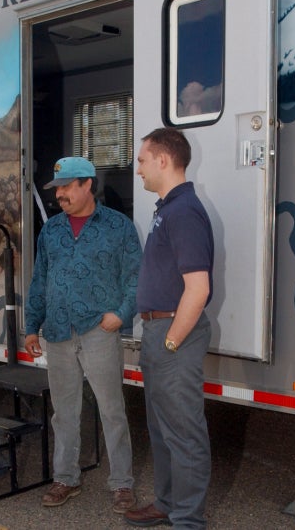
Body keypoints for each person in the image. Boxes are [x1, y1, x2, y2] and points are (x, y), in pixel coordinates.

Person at [24, 156, 141, 515]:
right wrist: (32, 326)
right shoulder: (52, 231)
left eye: (66, 187)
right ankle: (66, 478)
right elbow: (40, 279)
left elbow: (135, 276)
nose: (59, 194)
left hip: (98, 331)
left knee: (112, 410)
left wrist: (120, 315)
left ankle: (122, 484)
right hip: (57, 331)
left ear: (88, 184)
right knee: (64, 411)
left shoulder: (118, 227)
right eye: (57, 188)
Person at [124, 128, 214, 529]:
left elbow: (198, 288)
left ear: (163, 160)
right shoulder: (167, 208)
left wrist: (173, 340)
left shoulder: (184, 212)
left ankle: (187, 520)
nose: (137, 168)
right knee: (161, 430)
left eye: (142, 160)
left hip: (173, 334)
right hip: (158, 332)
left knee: (183, 433)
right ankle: (166, 503)